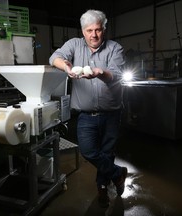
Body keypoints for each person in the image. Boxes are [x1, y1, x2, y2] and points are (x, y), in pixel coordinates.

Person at [49, 9, 127, 208]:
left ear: (104, 29)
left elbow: (117, 75)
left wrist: (100, 72)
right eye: (89, 30)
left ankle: (102, 189)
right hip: (86, 115)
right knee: (89, 152)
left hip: (111, 113)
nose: (94, 35)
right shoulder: (74, 45)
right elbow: (55, 57)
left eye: (98, 30)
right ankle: (118, 173)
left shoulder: (114, 48)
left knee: (107, 153)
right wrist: (66, 67)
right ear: (83, 31)